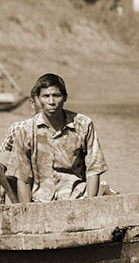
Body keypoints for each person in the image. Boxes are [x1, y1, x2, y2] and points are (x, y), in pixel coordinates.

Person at [10, 73, 108, 202]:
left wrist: (89, 205)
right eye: (46, 96)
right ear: (38, 99)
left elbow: (94, 170)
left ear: (65, 98)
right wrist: (27, 212)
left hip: (77, 198)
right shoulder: (26, 130)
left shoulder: (83, 125)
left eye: (56, 96)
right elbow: (22, 178)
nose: (51, 102)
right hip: (40, 202)